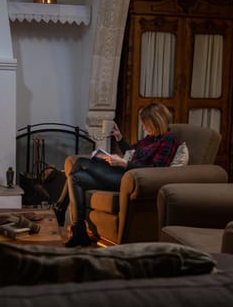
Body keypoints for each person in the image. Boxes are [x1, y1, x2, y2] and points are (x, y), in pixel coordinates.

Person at [64, 102, 180, 247]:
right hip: (123, 174)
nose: (143, 127)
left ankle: (59, 209)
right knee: (76, 177)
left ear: (156, 122)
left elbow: (157, 168)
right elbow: (132, 151)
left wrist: (123, 164)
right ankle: (79, 231)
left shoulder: (169, 139)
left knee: (82, 162)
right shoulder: (150, 138)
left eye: (145, 124)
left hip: (129, 181)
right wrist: (119, 138)